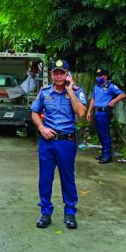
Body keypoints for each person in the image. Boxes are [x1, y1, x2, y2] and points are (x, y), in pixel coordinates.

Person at [31, 59, 87, 229]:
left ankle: (70, 213)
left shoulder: (76, 92)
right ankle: (45, 212)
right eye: (56, 72)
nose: (59, 76)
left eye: (62, 72)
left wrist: (70, 91)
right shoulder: (44, 93)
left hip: (66, 143)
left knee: (67, 178)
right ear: (51, 74)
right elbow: (34, 112)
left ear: (68, 74)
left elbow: (81, 112)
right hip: (47, 142)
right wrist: (41, 128)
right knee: (45, 178)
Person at [86, 68, 125, 164]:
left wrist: (113, 101)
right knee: (99, 133)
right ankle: (103, 153)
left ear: (105, 77)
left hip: (104, 112)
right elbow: (93, 99)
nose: (97, 77)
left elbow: (122, 94)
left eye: (100, 76)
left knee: (105, 134)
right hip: (97, 112)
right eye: (97, 76)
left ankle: (108, 156)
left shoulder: (111, 86)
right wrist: (89, 111)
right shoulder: (96, 87)